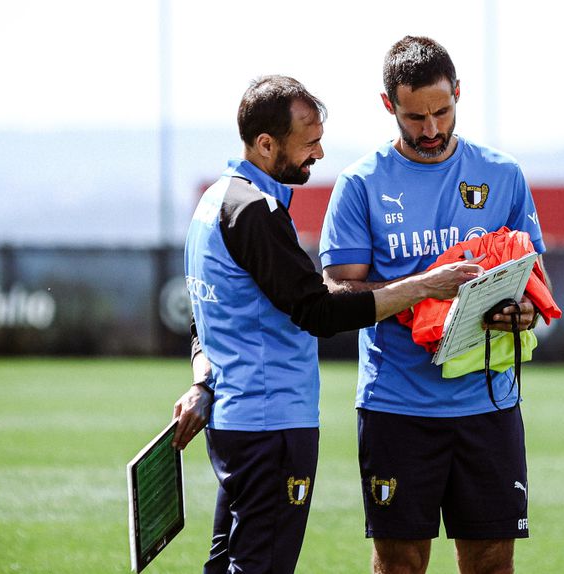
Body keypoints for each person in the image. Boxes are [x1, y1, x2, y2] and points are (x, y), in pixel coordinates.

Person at [171, 74, 484, 574]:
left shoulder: (215, 201)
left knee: (229, 565)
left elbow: (202, 317)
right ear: (267, 143)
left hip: (237, 419)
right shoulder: (256, 211)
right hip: (271, 423)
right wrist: (424, 285)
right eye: (308, 144)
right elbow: (320, 311)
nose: (318, 155)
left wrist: (202, 379)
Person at [318, 36, 552, 574]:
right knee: (399, 564)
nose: (431, 129)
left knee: (492, 562)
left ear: (458, 95)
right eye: (414, 116)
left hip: (488, 406)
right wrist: (424, 286)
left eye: (442, 111)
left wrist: (523, 312)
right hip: (396, 408)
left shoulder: (503, 175)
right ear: (388, 106)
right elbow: (337, 297)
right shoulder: (361, 183)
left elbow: (534, 283)